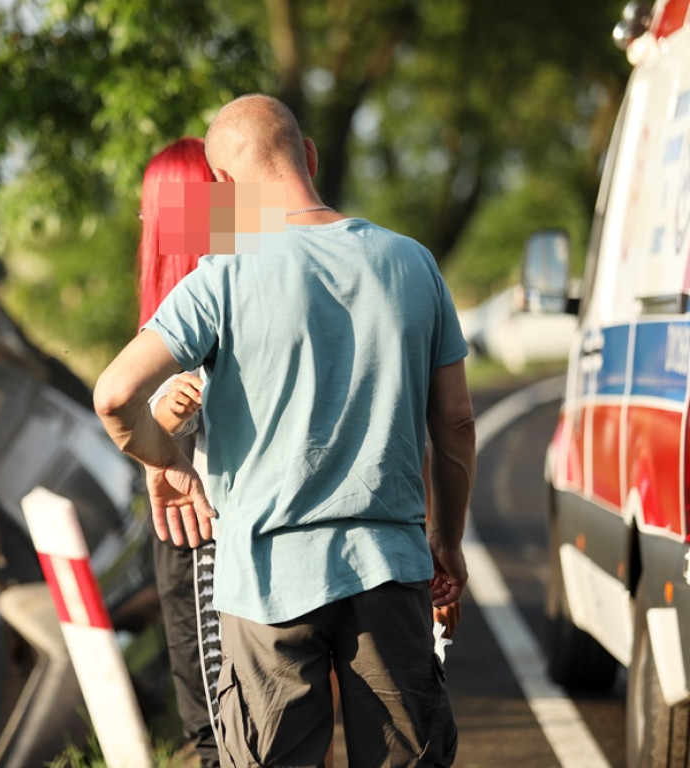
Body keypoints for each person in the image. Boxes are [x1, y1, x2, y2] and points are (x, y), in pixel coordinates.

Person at [95, 93, 475, 766]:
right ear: (310, 156)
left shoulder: (218, 278)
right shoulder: (414, 263)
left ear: (223, 188)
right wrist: (446, 537)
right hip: (389, 570)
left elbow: (116, 393)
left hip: (264, 586)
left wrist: (167, 465)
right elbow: (453, 420)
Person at [136, 136, 222, 768]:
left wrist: (161, 426)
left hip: (199, 545)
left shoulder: (202, 296)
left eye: (151, 210)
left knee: (220, 734)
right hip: (217, 536)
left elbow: (127, 403)